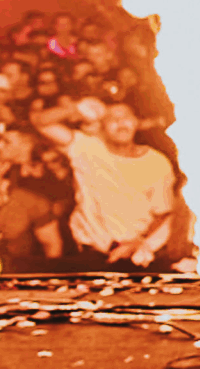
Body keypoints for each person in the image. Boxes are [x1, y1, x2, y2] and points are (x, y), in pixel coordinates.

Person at [61, 100, 178, 270]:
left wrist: (139, 242)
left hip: (136, 255)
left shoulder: (156, 162)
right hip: (90, 256)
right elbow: (41, 123)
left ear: (136, 122)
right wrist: (78, 109)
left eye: (126, 117)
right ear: (101, 125)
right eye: (112, 118)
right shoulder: (86, 149)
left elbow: (163, 213)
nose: (121, 123)